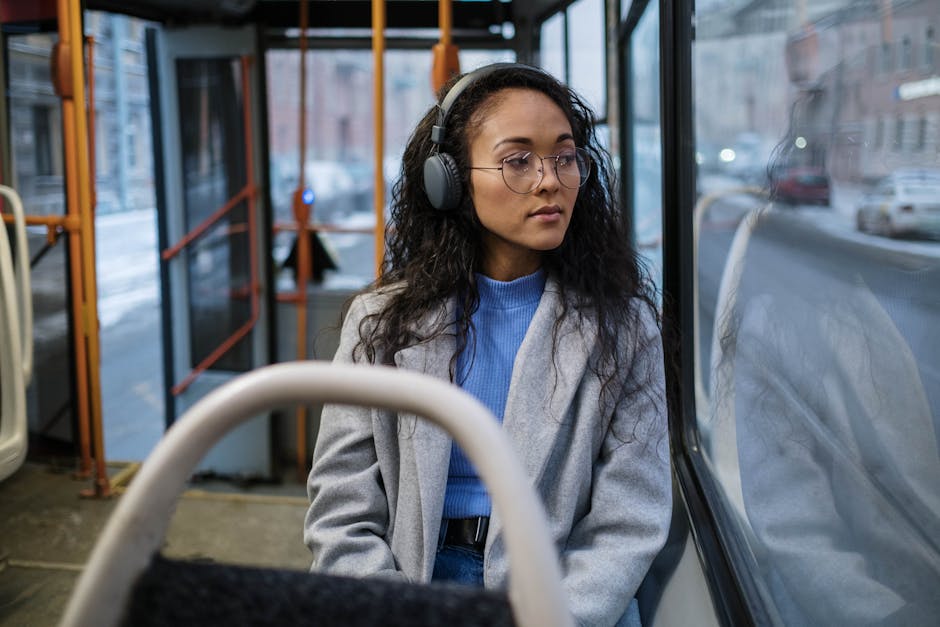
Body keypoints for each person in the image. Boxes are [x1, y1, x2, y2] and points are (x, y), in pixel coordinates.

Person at [304, 62, 672, 627]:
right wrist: (393, 609)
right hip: (410, 587)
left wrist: (556, 617)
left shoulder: (623, 327)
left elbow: (630, 519)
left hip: (562, 589)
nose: (549, 180)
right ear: (448, 181)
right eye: (518, 160)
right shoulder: (380, 322)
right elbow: (340, 509)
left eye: (564, 156)